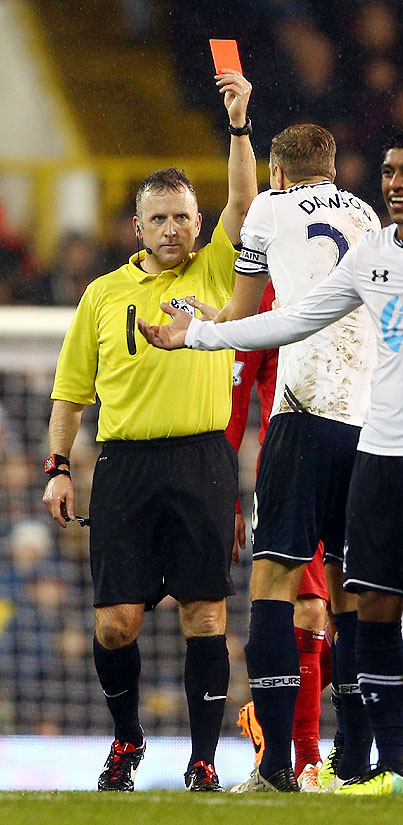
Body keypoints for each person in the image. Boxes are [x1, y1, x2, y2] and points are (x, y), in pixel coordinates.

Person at [137, 126, 403, 795]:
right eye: (388, 170)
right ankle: (379, 766)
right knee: (368, 602)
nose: (394, 183)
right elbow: (296, 317)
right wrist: (199, 335)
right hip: (374, 443)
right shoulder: (369, 241)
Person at [41, 70, 256, 793]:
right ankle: (128, 740)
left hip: (203, 459)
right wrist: (58, 468)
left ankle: (202, 759)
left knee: (206, 613)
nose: (173, 229)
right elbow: (71, 392)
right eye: (159, 218)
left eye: (183, 217)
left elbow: (245, 199)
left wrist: (237, 126)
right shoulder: (103, 296)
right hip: (126, 465)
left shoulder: (220, 272)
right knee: (115, 625)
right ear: (139, 227)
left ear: (200, 224)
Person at [184, 123, 381, 794]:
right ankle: (355, 759)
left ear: (277, 169)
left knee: (274, 580)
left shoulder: (269, 208)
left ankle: (275, 768)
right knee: (354, 588)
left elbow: (244, 312)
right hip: (370, 417)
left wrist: (197, 326)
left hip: (302, 409)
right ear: (332, 165)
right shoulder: (366, 214)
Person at [223, 279, 332, 790]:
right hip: (290, 467)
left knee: (362, 610)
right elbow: (236, 401)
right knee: (307, 608)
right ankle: (304, 760)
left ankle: (268, 715)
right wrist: (228, 495)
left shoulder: (364, 275)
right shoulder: (264, 296)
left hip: (362, 459)